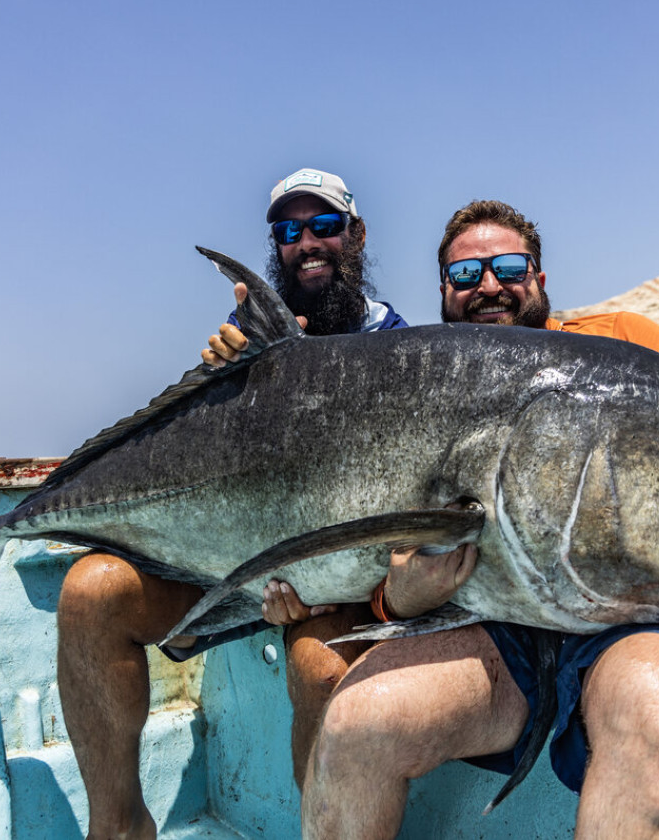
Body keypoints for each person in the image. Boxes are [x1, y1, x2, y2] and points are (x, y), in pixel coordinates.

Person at [223, 200, 659, 839]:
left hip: (648, 616)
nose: (488, 285)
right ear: (443, 292)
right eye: (465, 275)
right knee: (357, 720)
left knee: (658, 714)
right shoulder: (430, 383)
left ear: (539, 277)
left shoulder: (625, 341)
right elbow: (388, 563)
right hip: (506, 627)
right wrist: (398, 600)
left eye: (509, 267)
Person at [57, 167, 406, 840]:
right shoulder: (248, 338)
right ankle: (118, 827)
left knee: (322, 670)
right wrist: (220, 376)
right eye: (288, 232)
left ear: (357, 235)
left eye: (324, 226)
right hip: (227, 564)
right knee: (90, 593)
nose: (307, 244)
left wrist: (329, 584)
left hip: (332, 585)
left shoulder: (401, 347)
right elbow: (199, 457)